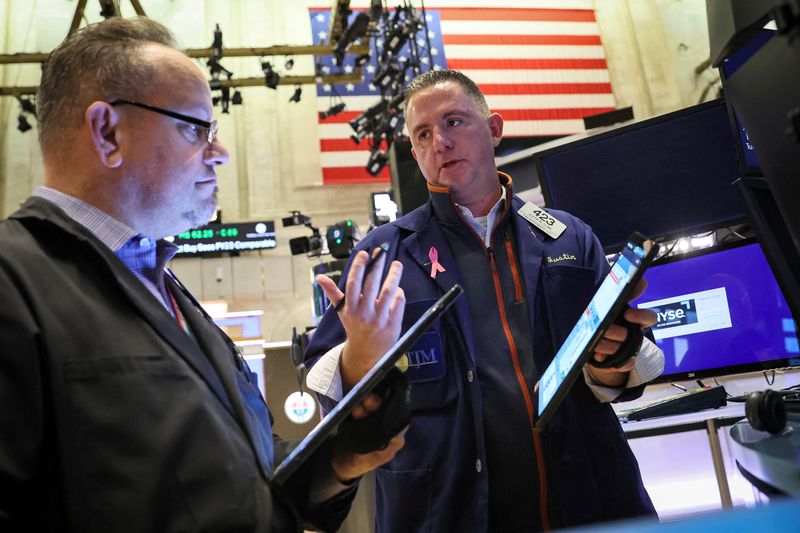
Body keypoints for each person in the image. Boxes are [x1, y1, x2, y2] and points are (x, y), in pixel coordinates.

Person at [0, 17, 405, 533]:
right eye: (195, 128)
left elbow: (241, 480)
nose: (221, 153)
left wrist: (341, 459)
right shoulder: (13, 279)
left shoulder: (164, 287)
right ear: (106, 132)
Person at [305, 69, 665, 532]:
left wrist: (613, 357)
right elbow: (325, 392)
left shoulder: (569, 236)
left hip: (590, 497)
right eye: (424, 134)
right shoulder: (382, 255)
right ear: (415, 153)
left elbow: (623, 366)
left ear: (494, 129)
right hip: (441, 512)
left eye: (454, 122)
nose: (440, 142)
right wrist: (358, 354)